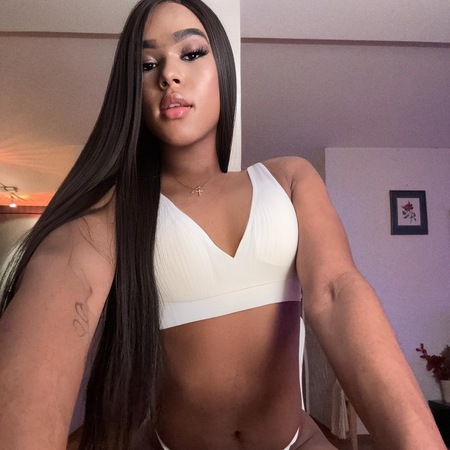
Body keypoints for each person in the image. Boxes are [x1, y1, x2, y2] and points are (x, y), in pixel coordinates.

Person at [0, 1, 446, 449]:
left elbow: (335, 292)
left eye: (191, 53)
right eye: (148, 64)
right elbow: (58, 305)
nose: (168, 75)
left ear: (223, 70)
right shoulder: (113, 218)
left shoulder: (287, 180)